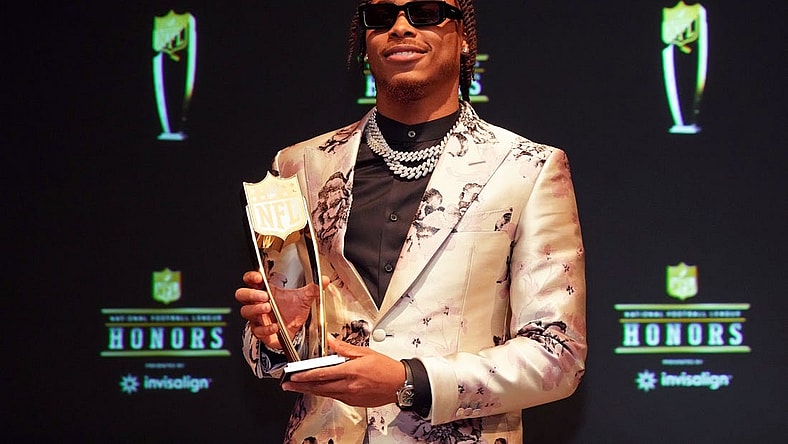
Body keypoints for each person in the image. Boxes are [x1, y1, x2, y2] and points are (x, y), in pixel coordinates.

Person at [234, 1, 587, 442]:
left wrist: (409, 381)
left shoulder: (527, 167)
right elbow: (278, 345)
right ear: (364, 43)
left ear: (464, 38)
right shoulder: (300, 165)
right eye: (381, 17)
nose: (400, 27)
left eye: (424, 12)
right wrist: (276, 333)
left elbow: (557, 354)